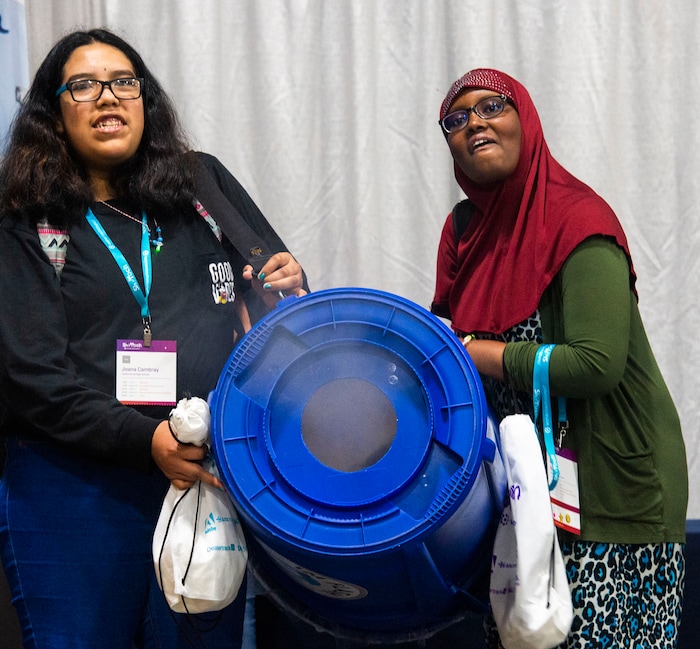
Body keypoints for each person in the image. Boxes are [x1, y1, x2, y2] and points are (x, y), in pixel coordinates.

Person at [0, 28, 307, 649]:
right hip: (73, 493)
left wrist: (286, 286)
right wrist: (149, 442)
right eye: (82, 86)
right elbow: (30, 377)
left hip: (204, 479)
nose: (107, 98)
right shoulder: (28, 218)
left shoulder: (201, 185)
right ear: (55, 117)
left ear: (146, 100)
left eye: (123, 83)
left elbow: (275, 297)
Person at [431, 68, 688, 648]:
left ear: (526, 118)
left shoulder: (578, 220)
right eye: (456, 117)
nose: (474, 123)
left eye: (492, 107)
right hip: (525, 491)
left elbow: (596, 365)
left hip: (613, 487)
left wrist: (485, 353)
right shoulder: (463, 231)